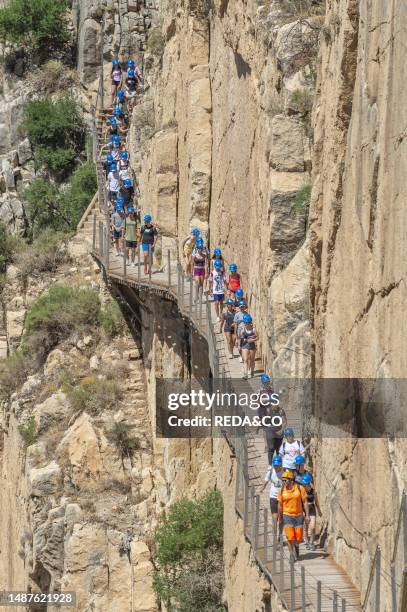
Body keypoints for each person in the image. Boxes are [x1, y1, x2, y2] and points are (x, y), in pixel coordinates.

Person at [277, 470, 309, 561]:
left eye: (285, 480)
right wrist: (280, 517)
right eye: (282, 480)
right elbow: (280, 505)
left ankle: (296, 545)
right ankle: (291, 554)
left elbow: (305, 502)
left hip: (299, 516)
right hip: (287, 515)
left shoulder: (300, 488)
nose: (283, 482)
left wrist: (307, 515)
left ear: (291, 480)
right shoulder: (282, 491)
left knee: (298, 537)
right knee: (290, 536)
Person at [259, 374, 287, 464]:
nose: (267, 383)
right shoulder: (260, 391)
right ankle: (267, 444)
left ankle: (277, 460)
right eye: (265, 382)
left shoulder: (272, 390)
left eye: (267, 382)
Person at [259, 455, 284, 540]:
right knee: (274, 519)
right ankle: (274, 538)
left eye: (278, 465)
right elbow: (265, 481)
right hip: (273, 497)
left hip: (282, 498)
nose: (276, 467)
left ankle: (280, 535)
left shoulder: (285, 472)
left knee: (281, 519)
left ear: (281, 464)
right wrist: (261, 490)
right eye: (275, 465)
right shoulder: (270, 472)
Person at [300, 473, 322, 551]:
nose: (303, 485)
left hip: (312, 510)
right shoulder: (301, 491)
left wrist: (319, 511)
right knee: (305, 527)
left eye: (304, 484)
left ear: (308, 483)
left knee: (312, 527)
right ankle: (307, 541)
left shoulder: (313, 492)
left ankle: (312, 542)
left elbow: (316, 502)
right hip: (303, 510)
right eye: (303, 484)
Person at [238, 313, 258, 379]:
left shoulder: (254, 329)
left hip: (252, 345)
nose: (247, 324)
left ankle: (252, 372)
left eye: (248, 322)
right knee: (245, 360)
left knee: (252, 360)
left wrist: (252, 340)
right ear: (244, 322)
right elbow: (241, 337)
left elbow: (257, 337)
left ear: (250, 322)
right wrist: (239, 346)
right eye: (246, 322)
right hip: (245, 345)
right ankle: (245, 374)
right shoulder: (243, 329)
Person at [192, 237, 209, 302]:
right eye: (199, 248)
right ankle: (196, 296)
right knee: (197, 283)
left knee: (201, 284)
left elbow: (206, 261)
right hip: (196, 269)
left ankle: (200, 297)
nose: (200, 249)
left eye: (201, 248)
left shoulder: (205, 250)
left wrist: (207, 272)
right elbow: (192, 262)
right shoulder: (195, 250)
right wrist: (191, 271)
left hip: (202, 270)